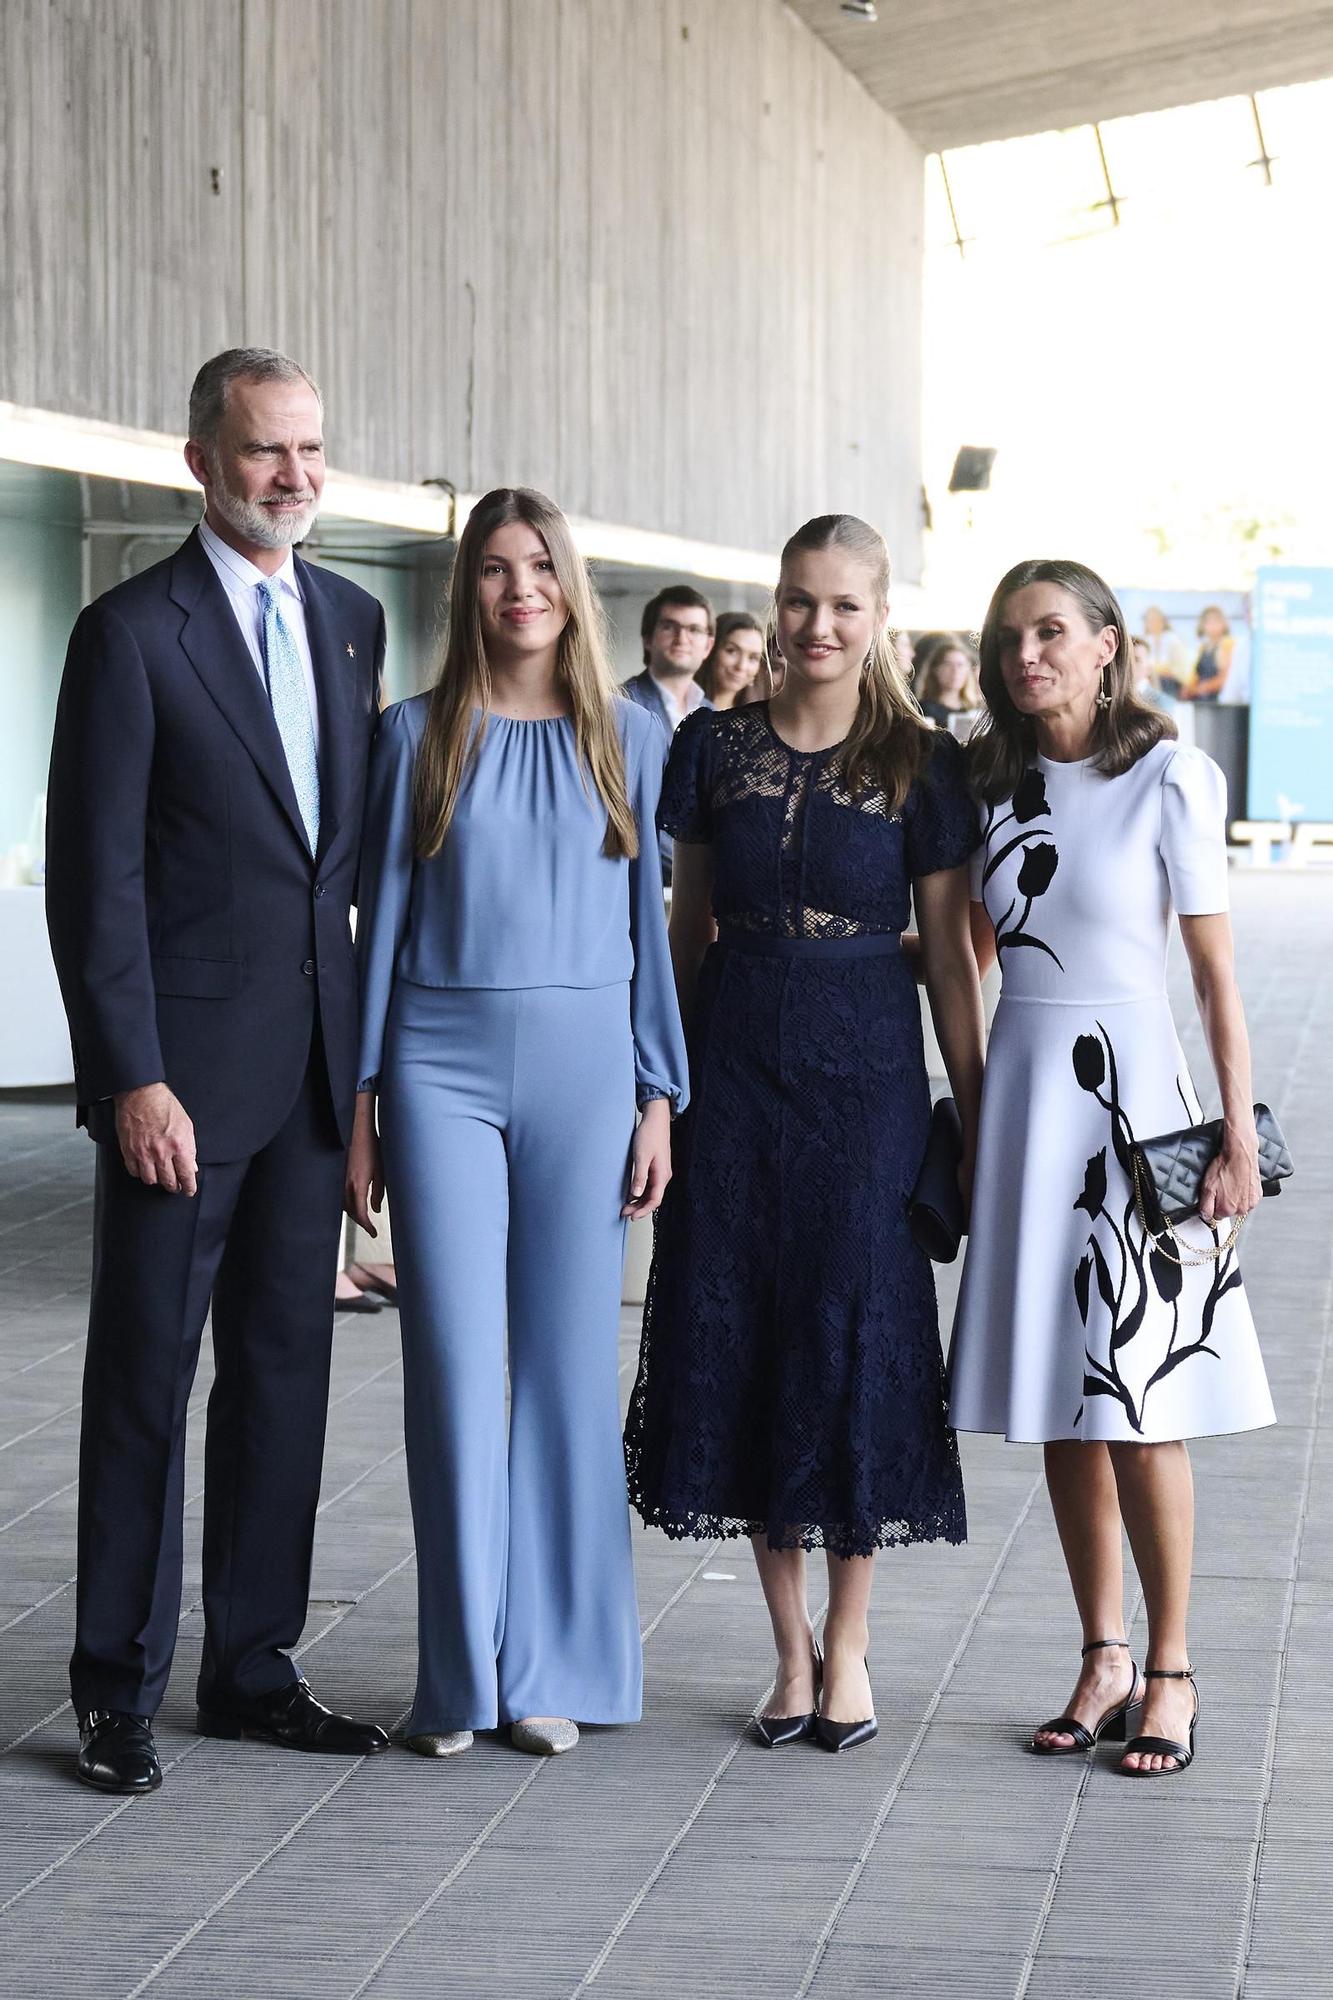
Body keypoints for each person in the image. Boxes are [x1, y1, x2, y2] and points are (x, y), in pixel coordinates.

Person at [44, 347, 390, 1795]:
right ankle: (115, 1686)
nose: (293, 477)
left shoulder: (355, 621)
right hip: (176, 1090)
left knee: (282, 1380)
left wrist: (367, 1078)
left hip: (311, 1081)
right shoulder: (130, 634)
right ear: (200, 461)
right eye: (264, 452)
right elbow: (95, 878)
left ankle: (252, 1668)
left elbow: (349, 871)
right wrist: (130, 1076)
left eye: (310, 451)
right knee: (142, 1381)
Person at [624, 513, 985, 1753]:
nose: (815, 625)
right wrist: (655, 1090)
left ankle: (855, 1646)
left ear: (878, 614)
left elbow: (946, 961)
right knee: (743, 1333)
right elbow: (676, 939)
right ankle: (788, 1653)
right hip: (730, 1075)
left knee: (853, 1337)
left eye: (841, 604)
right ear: (770, 608)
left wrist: (977, 1119)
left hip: (867, 1086)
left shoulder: (922, 765)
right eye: (795, 600)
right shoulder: (709, 747)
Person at [347, 487, 688, 1761]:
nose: (518, 588)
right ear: (466, 592)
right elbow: (378, 921)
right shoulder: (415, 733)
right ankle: (457, 1675)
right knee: (449, 1369)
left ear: (570, 583)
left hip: (590, 1066)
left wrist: (659, 1092)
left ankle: (545, 1663)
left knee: (559, 1368)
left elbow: (650, 930)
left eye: (538, 564)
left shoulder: (628, 736)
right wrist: (364, 1105)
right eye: (493, 569)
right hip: (437, 1063)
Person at [948, 558, 1273, 1778]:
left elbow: (1213, 976)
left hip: (1137, 1108)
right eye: (1010, 637)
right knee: (1061, 1409)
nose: (1027, 653)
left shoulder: (1172, 775)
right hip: (1031, 1108)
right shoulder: (988, 784)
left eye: (1050, 633)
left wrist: (1235, 1132)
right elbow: (969, 957)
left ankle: (1173, 1667)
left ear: (1105, 645)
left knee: (1139, 1402)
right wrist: (970, 1111)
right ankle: (1101, 1651)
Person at [621, 585, 715, 881]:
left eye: (694, 629)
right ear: (648, 639)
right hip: (640, 876)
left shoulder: (714, 716)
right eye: (669, 626)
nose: (682, 638)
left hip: (699, 883)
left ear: (708, 645)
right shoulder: (620, 707)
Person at [696, 610, 765, 709]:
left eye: (753, 658)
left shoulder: (755, 719)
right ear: (711, 649)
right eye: (731, 651)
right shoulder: (682, 707)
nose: (741, 666)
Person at [914, 634, 982, 729]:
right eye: (948, 664)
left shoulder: (977, 709)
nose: (955, 671)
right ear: (935, 669)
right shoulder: (923, 709)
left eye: (960, 665)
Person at [1182, 605, 1235, 704]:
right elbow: (1195, 674)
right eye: (1208, 622)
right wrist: (1188, 688)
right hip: (1201, 700)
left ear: (1223, 623)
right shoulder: (1203, 648)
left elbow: (1225, 678)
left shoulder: (1227, 644)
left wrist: (1201, 688)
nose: (1212, 625)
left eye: (1216, 621)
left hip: (1218, 701)